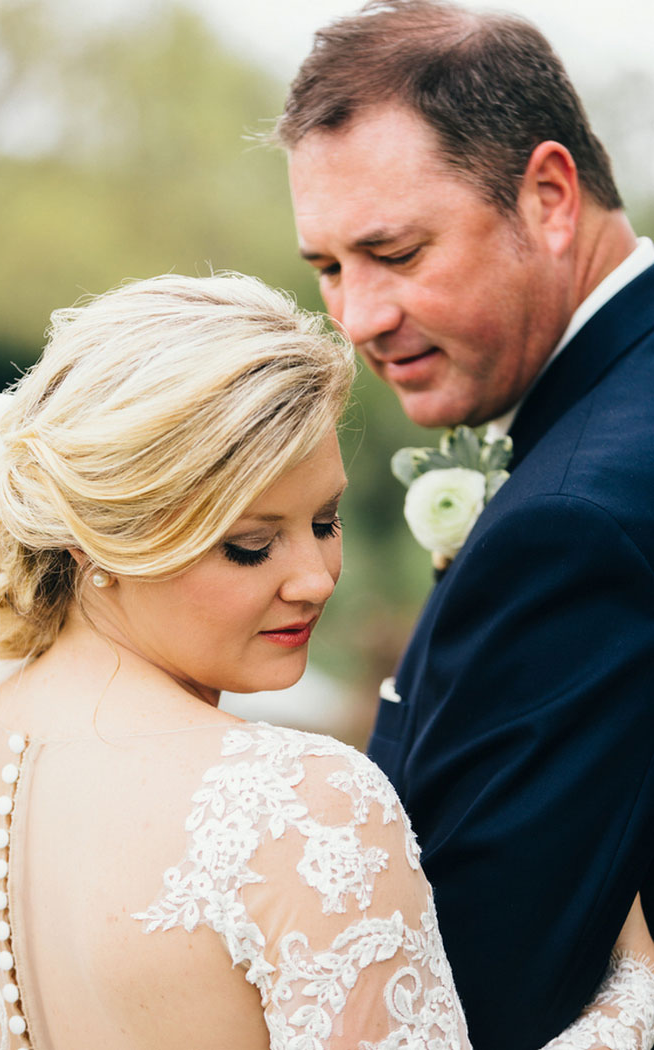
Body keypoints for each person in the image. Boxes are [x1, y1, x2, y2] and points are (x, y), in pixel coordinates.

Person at [0, 272, 653, 1050]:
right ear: (104, 539)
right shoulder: (299, 805)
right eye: (251, 546)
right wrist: (635, 997)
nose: (317, 578)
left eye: (326, 521)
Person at [280, 2, 654, 1048]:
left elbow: (478, 991)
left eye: (392, 252)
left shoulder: (581, 517)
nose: (355, 317)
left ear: (547, 197)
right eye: (328, 268)